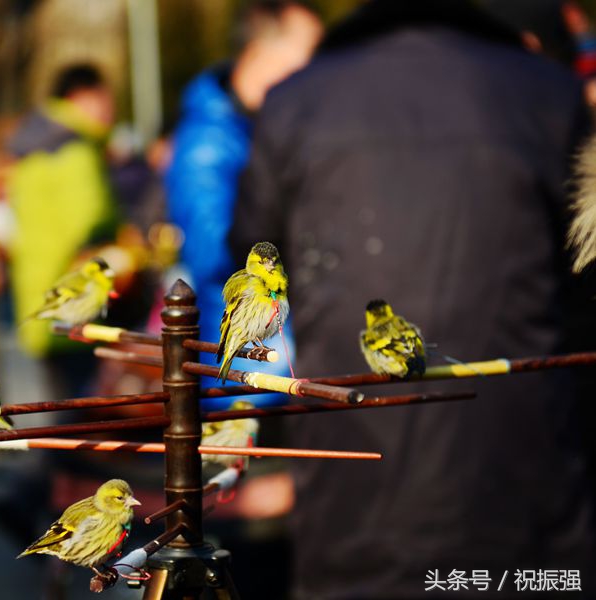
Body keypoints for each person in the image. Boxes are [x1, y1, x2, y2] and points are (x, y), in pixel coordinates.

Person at [230, 0, 595, 597]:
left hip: (356, 494)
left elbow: (257, 258)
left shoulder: (298, 100)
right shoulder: (549, 94)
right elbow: (585, 289)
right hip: (523, 492)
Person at [166, 0, 322, 410]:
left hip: (283, 360)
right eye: (301, 61)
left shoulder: (257, 125)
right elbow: (210, 249)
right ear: (258, 53)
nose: (312, 77)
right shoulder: (209, 141)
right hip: (250, 375)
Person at [8, 62, 119, 391]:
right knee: (82, 421)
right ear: (80, 96)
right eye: (104, 97)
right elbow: (92, 220)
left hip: (41, 295)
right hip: (77, 300)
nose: (110, 108)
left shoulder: (35, 147)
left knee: (57, 413)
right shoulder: (74, 150)